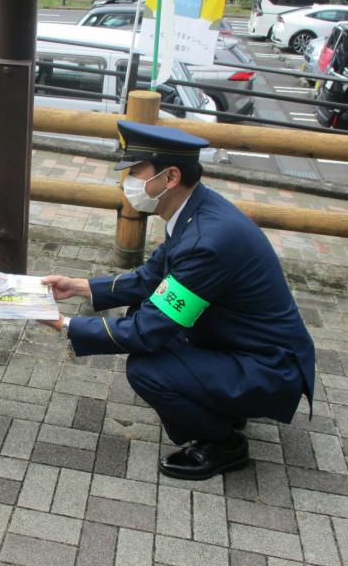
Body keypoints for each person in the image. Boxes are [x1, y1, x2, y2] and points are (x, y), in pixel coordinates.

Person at [41, 121, 315, 481]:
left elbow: (145, 333)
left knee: (148, 370)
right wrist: (78, 287)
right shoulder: (196, 210)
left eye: (135, 172)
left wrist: (66, 325)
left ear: (170, 177)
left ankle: (224, 444)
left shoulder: (207, 241)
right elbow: (150, 277)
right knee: (145, 309)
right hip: (245, 346)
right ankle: (225, 406)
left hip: (270, 368)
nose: (127, 182)